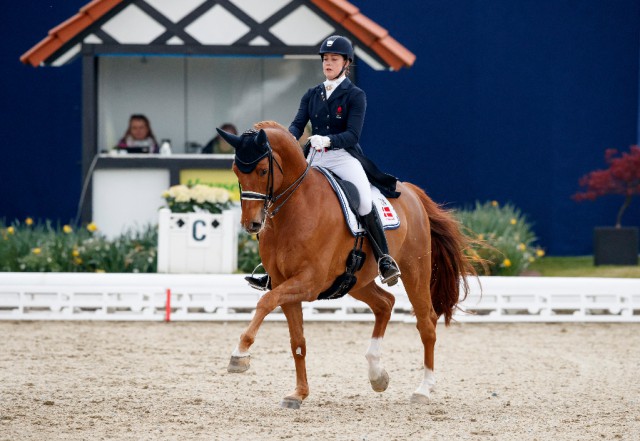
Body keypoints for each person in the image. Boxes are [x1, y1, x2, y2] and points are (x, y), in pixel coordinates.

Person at [246, 35, 401, 291]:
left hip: (342, 157)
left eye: (334, 59)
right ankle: (271, 269)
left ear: (345, 63)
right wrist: (288, 139)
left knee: (363, 200)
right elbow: (297, 124)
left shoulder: (355, 95)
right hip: (315, 158)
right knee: (278, 199)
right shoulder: (312, 94)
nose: (328, 64)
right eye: (325, 59)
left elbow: (353, 134)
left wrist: (328, 140)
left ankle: (384, 259)